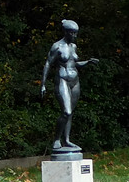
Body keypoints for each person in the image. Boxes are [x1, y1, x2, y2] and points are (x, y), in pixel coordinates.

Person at [40, 19, 98, 155]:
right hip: (62, 80)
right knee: (66, 112)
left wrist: (88, 62)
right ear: (66, 32)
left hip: (75, 81)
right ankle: (56, 139)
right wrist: (43, 84)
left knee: (70, 111)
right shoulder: (57, 46)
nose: (74, 36)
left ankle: (66, 140)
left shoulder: (73, 46)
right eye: (72, 33)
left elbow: (74, 64)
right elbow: (48, 64)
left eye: (76, 33)